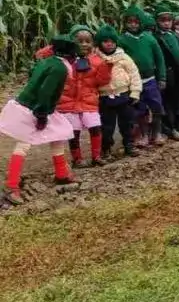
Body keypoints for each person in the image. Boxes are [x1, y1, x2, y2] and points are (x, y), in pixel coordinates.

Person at [1, 35, 79, 204]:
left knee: (59, 134)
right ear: (70, 55)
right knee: (24, 143)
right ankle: (11, 186)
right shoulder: (60, 69)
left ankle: (62, 174)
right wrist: (42, 114)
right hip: (34, 108)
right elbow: (46, 91)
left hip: (32, 106)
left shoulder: (48, 62)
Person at [34, 25, 112, 168]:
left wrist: (107, 67)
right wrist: (56, 46)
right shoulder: (65, 58)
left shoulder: (97, 61)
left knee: (95, 127)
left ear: (93, 44)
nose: (84, 44)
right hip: (68, 103)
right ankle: (77, 159)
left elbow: (103, 82)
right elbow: (40, 55)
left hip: (89, 101)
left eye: (87, 41)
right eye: (79, 41)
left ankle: (96, 156)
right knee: (73, 131)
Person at [119, 5, 167, 147]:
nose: (133, 25)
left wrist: (162, 77)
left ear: (141, 23)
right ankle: (144, 135)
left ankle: (157, 133)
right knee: (140, 109)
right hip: (134, 82)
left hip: (151, 79)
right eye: (130, 22)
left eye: (136, 22)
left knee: (157, 106)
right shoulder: (121, 41)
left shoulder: (149, 39)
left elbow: (159, 59)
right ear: (125, 23)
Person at [96, 25, 143, 160]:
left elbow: (134, 74)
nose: (109, 44)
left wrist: (135, 92)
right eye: (105, 41)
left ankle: (129, 144)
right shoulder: (96, 59)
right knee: (106, 126)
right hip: (104, 98)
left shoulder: (124, 57)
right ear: (99, 43)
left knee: (127, 123)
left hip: (124, 95)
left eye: (112, 41)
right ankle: (106, 149)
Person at [154, 4, 179, 142]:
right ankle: (171, 128)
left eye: (169, 20)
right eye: (162, 20)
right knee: (169, 102)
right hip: (168, 74)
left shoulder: (173, 35)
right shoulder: (157, 38)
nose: (166, 23)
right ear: (157, 22)